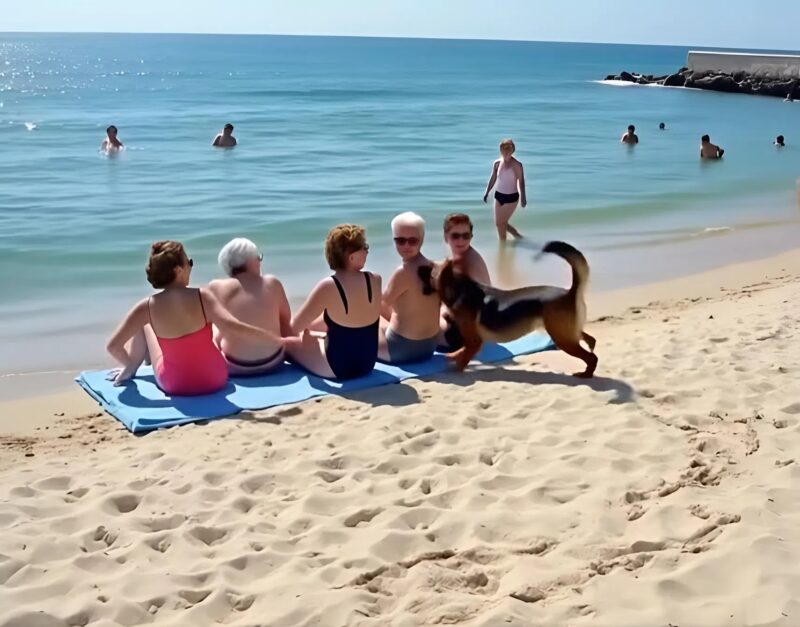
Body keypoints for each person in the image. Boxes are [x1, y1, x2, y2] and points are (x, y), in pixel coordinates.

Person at [106, 241, 283, 395]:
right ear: (178, 270)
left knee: (145, 325)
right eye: (189, 263)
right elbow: (233, 326)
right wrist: (271, 338)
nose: (191, 267)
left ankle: (131, 368)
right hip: (216, 379)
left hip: (176, 384)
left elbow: (113, 346)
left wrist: (128, 362)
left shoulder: (146, 307)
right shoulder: (203, 296)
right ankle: (139, 364)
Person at [285, 225, 381, 379]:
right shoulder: (375, 280)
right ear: (351, 257)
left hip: (337, 369)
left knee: (288, 345)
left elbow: (294, 327)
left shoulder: (329, 286)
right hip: (367, 364)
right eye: (365, 247)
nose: (367, 251)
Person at [207, 238, 291, 375]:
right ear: (251, 261)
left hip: (235, 365)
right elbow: (286, 322)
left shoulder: (216, 287)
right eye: (258, 258)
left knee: (216, 325)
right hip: (273, 361)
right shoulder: (272, 283)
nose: (260, 262)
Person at [378, 212, 441, 364]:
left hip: (401, 350)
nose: (406, 246)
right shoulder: (435, 268)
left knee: (365, 318)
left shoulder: (403, 272)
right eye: (400, 240)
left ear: (422, 240)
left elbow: (381, 303)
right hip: (430, 346)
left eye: (412, 241)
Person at [439, 213, 491, 351]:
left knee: (419, 326)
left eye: (465, 236)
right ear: (446, 237)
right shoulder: (466, 256)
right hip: (480, 328)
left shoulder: (467, 262)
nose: (461, 241)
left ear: (471, 237)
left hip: (465, 335)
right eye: (455, 236)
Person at [483, 138, 527, 241]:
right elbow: (493, 178)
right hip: (498, 196)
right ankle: (518, 237)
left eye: (509, 148)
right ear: (501, 150)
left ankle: (503, 245)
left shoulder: (517, 165)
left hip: (511, 198)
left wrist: (523, 198)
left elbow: (521, 182)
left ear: (513, 150)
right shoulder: (497, 163)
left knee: (500, 223)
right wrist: (487, 192)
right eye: (504, 148)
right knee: (500, 223)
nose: (506, 151)